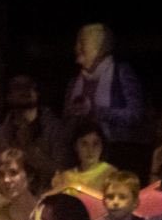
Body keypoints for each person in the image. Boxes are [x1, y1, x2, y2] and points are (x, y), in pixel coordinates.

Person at [62, 23, 147, 156]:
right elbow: (66, 122)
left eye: (82, 42)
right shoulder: (74, 83)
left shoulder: (121, 73)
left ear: (100, 48)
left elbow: (135, 115)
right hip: (80, 155)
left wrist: (97, 111)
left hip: (116, 150)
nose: (77, 47)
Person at [0, 74, 68, 184]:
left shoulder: (55, 130)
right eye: (19, 88)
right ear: (9, 96)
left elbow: (64, 172)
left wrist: (31, 150)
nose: (26, 91)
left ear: (37, 94)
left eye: (30, 87)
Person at [52, 119, 116, 197]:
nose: (90, 150)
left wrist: (73, 185)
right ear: (76, 146)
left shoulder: (110, 174)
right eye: (84, 144)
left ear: (102, 146)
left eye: (95, 144)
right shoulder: (66, 176)